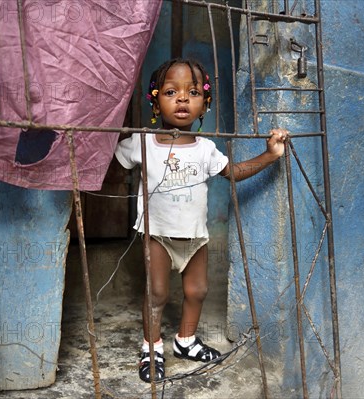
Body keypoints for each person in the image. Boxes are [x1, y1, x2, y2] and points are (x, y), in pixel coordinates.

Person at [114, 57, 288, 383]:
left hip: (196, 236)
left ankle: (186, 341)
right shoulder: (141, 143)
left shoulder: (206, 149)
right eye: (170, 91)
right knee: (157, 294)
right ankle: (150, 348)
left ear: (204, 103)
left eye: (192, 92)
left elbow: (233, 173)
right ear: (155, 101)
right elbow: (109, 159)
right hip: (158, 236)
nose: (182, 99)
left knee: (197, 291)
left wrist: (270, 154)